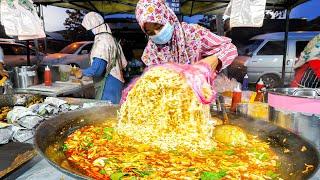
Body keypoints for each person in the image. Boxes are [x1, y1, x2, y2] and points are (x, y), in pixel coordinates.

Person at [135, 0, 237, 72]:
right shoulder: (151, 52)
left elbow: (229, 49)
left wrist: (215, 59)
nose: (157, 34)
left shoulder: (193, 34)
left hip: (197, 96)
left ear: (168, 18)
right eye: (150, 32)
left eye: (159, 26)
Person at [74, 12, 127, 104]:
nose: (88, 31)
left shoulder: (102, 42)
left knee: (105, 114)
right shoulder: (112, 39)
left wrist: (81, 72)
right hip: (118, 83)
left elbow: (98, 70)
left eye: (88, 29)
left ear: (93, 27)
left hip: (108, 85)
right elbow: (124, 64)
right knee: (116, 113)